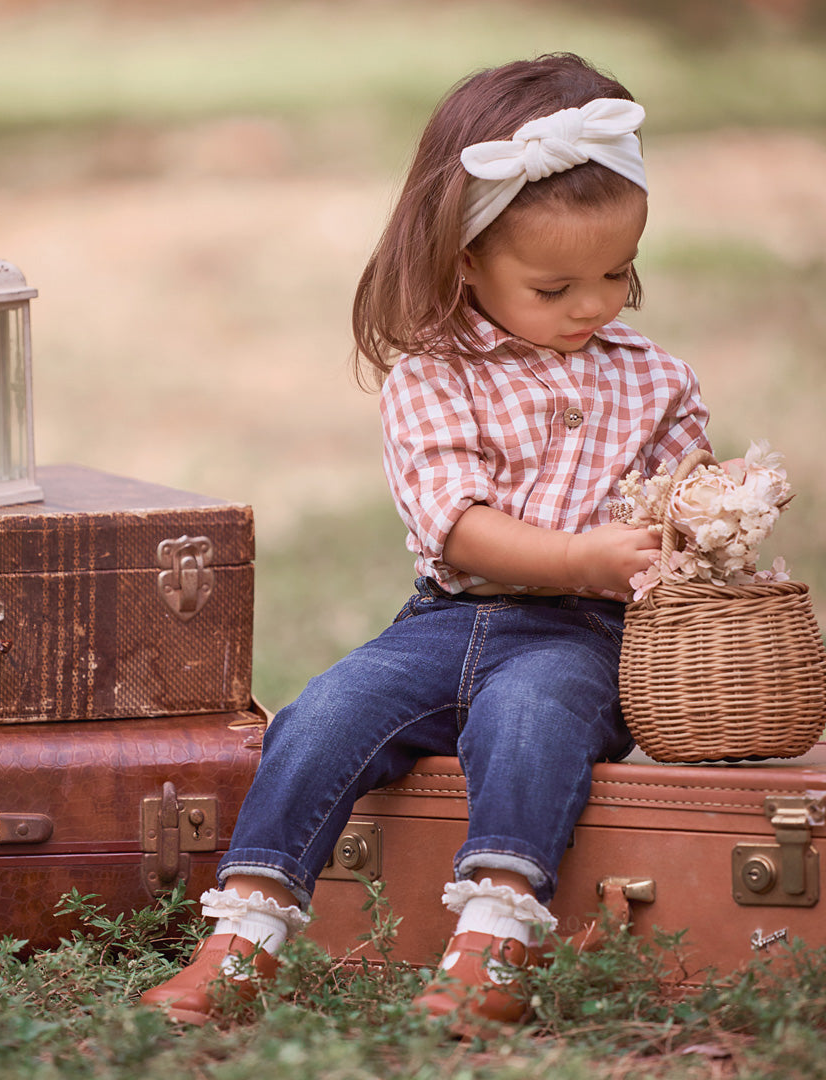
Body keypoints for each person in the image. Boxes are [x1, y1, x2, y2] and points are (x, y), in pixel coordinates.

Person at [141, 52, 711, 1032]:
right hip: (444, 621)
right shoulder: (432, 378)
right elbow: (461, 530)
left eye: (618, 272)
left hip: (584, 633)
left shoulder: (656, 381)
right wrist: (585, 551)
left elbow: (684, 512)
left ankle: (493, 943)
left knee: (529, 716)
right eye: (555, 285)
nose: (592, 304)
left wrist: (695, 527)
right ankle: (246, 935)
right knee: (322, 713)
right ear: (466, 260)